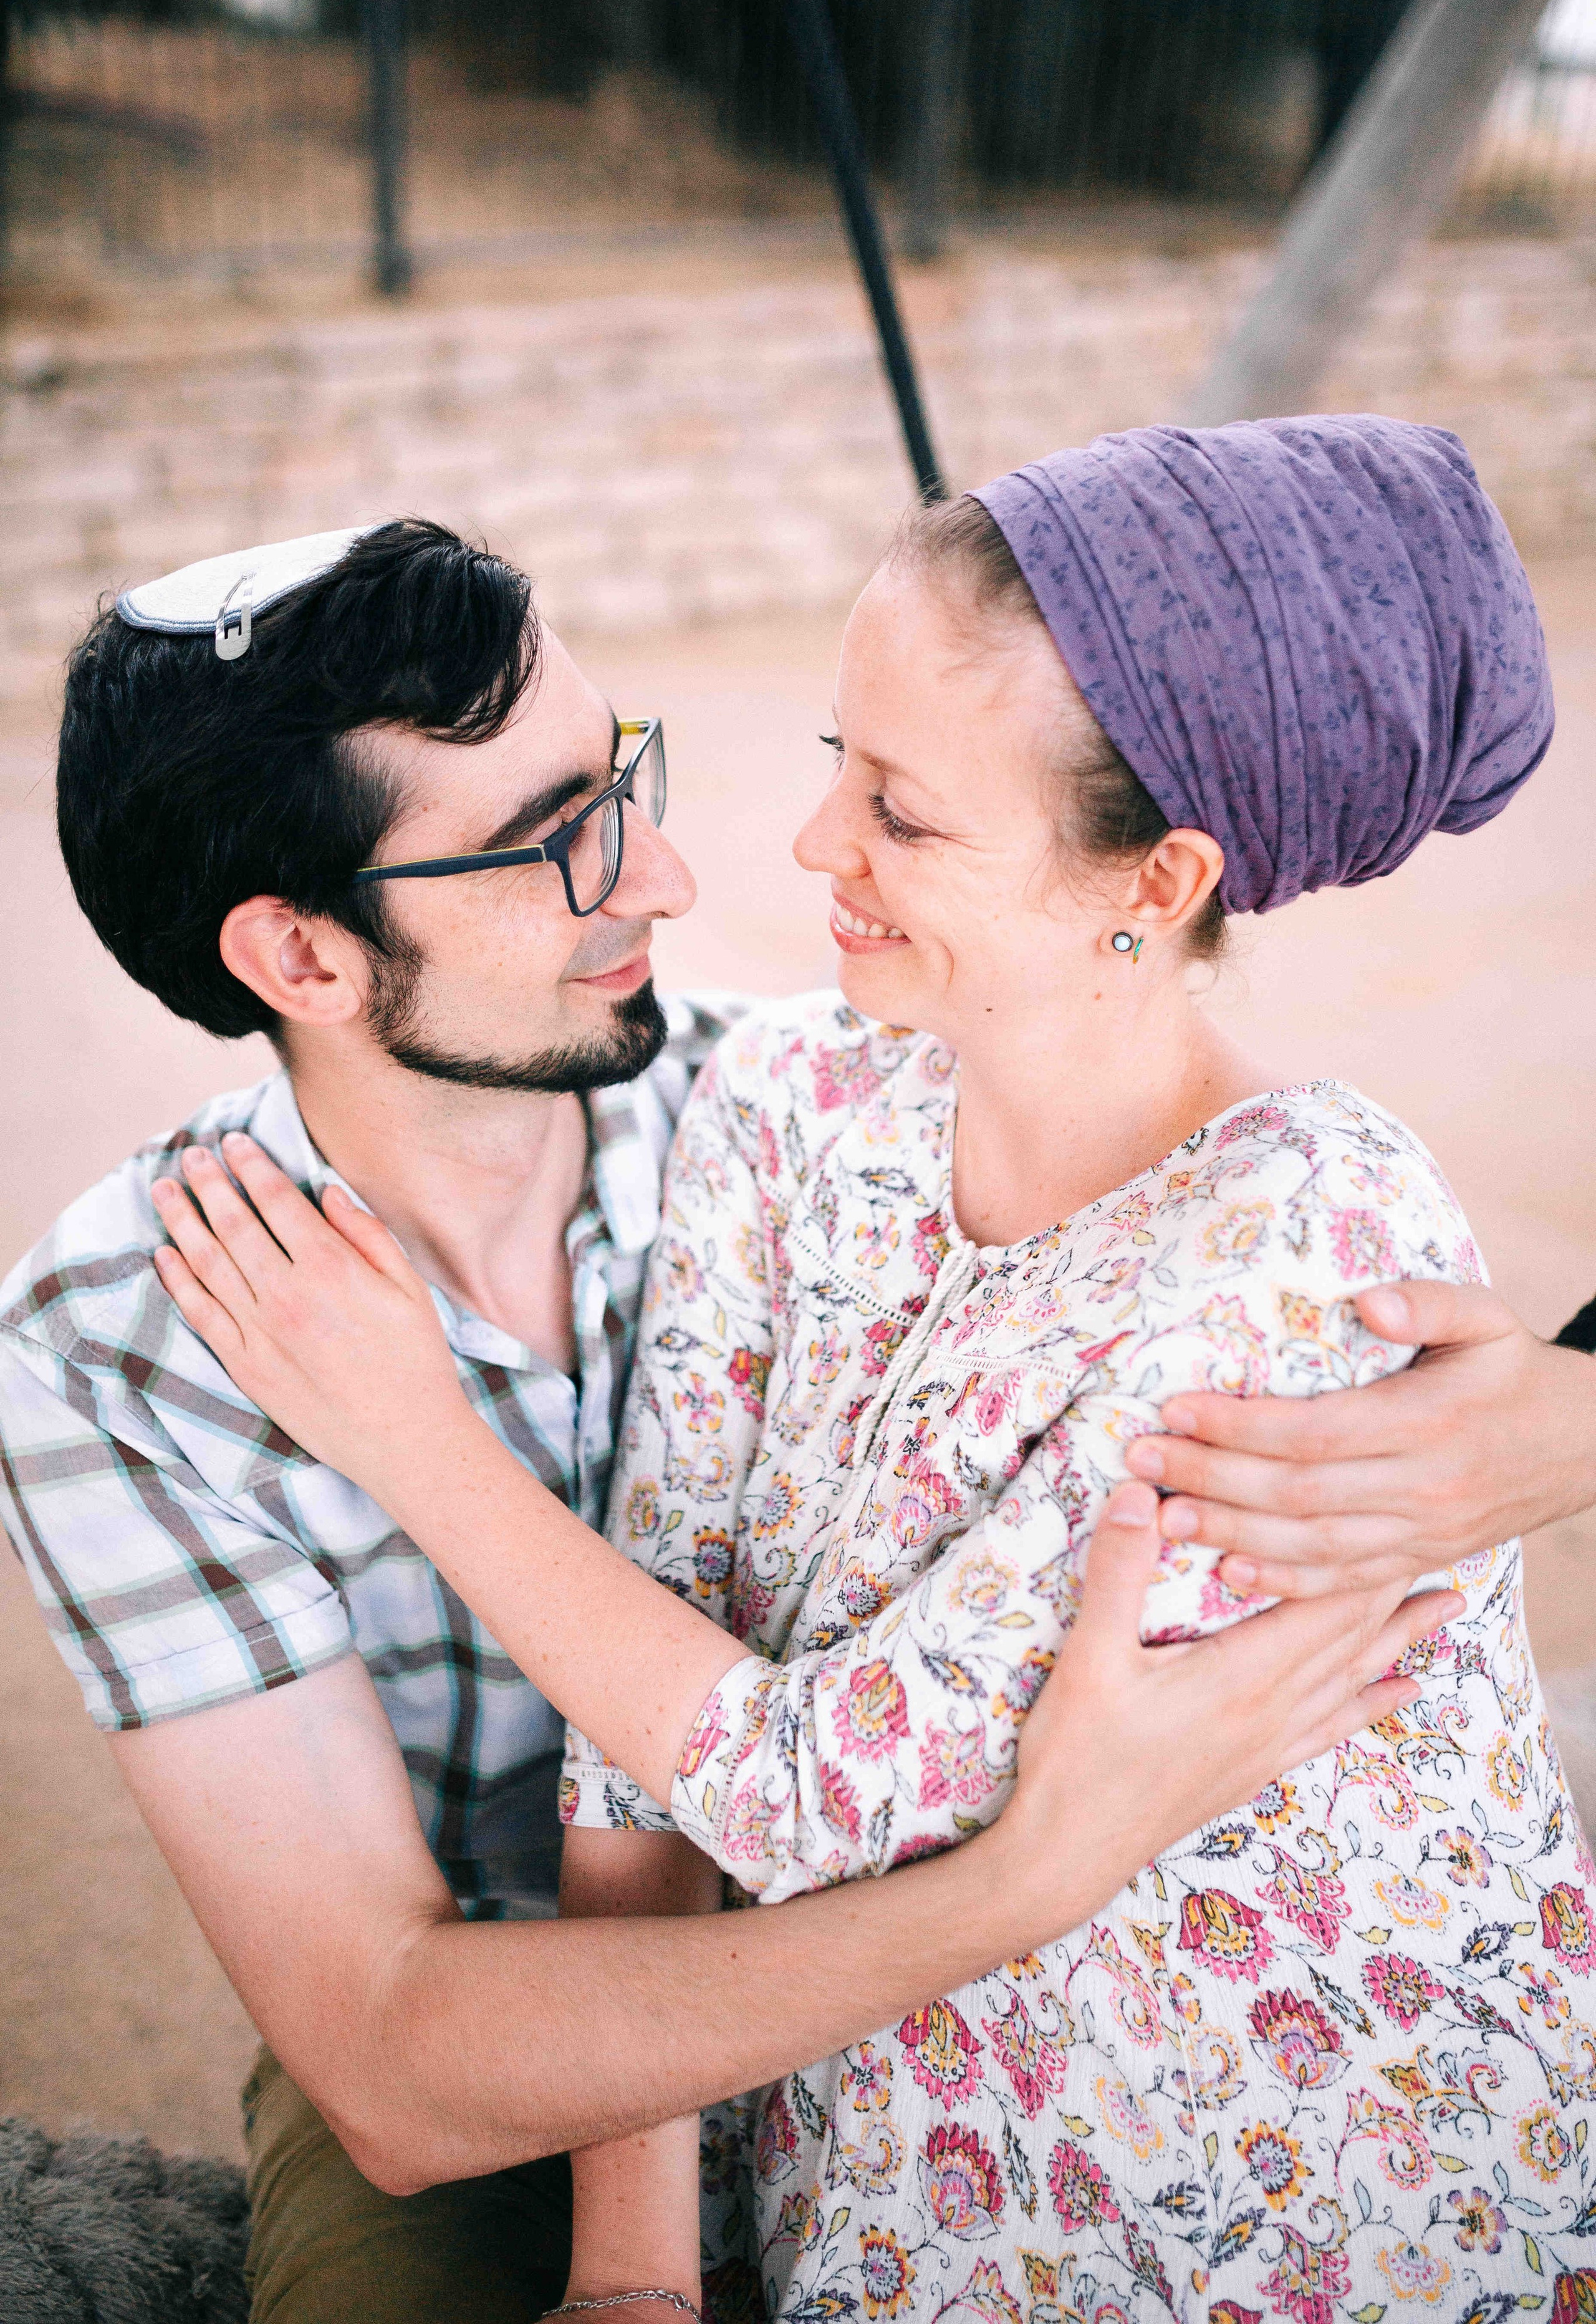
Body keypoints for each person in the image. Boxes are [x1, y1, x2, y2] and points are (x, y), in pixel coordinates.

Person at [137, 423, 1596, 2318]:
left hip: (1303, 2185)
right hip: (888, 2185)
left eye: (904, 813)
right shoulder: (793, 1097)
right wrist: (636, 2275)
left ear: (1148, 882)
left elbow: (813, 1797)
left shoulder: (1312, 1254)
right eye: (842, 765)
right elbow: (641, 1658)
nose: (813, 848)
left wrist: (415, 1437)